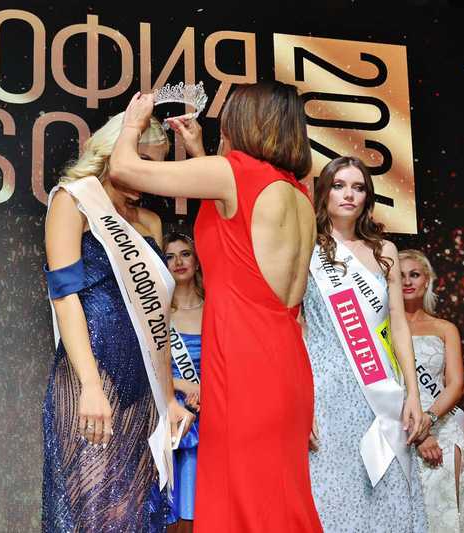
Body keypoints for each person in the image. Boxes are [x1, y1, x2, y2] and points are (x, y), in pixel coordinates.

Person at [110, 83, 322, 531]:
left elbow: (125, 168)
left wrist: (132, 123)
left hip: (244, 362)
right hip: (286, 363)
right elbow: (239, 231)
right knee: (276, 500)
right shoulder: (299, 194)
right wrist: (199, 152)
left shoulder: (232, 175)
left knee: (243, 502)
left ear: (245, 121)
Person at [43, 112, 192, 532]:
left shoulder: (151, 222)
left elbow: (158, 319)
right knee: (90, 513)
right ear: (113, 151)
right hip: (93, 378)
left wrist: (169, 398)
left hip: (144, 388)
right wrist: (90, 385)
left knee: (133, 514)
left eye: (155, 165)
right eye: (141, 159)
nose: (147, 174)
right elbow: (65, 296)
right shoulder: (73, 200)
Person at [303, 156, 429, 532]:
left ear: (367, 197)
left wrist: (413, 394)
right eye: (339, 185)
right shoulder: (306, 245)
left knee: (386, 488)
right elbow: (296, 324)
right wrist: (300, 398)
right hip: (324, 388)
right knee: (331, 490)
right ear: (324, 192)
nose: (349, 195)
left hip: (378, 386)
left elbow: (398, 324)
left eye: (358, 187)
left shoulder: (384, 250)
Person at [400, 249, 464, 533]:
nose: (407, 281)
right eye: (400, 276)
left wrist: (428, 421)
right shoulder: (381, 329)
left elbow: (456, 385)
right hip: (398, 429)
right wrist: (419, 433)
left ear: (427, 280)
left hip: (442, 427)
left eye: (414, 274)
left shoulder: (445, 328)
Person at [163, 232, 203, 533]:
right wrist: (184, 386)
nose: (178, 261)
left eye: (185, 253)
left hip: (209, 411)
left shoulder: (215, 307)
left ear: (197, 260)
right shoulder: (158, 311)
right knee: (170, 513)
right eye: (170, 256)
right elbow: (148, 367)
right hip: (170, 412)